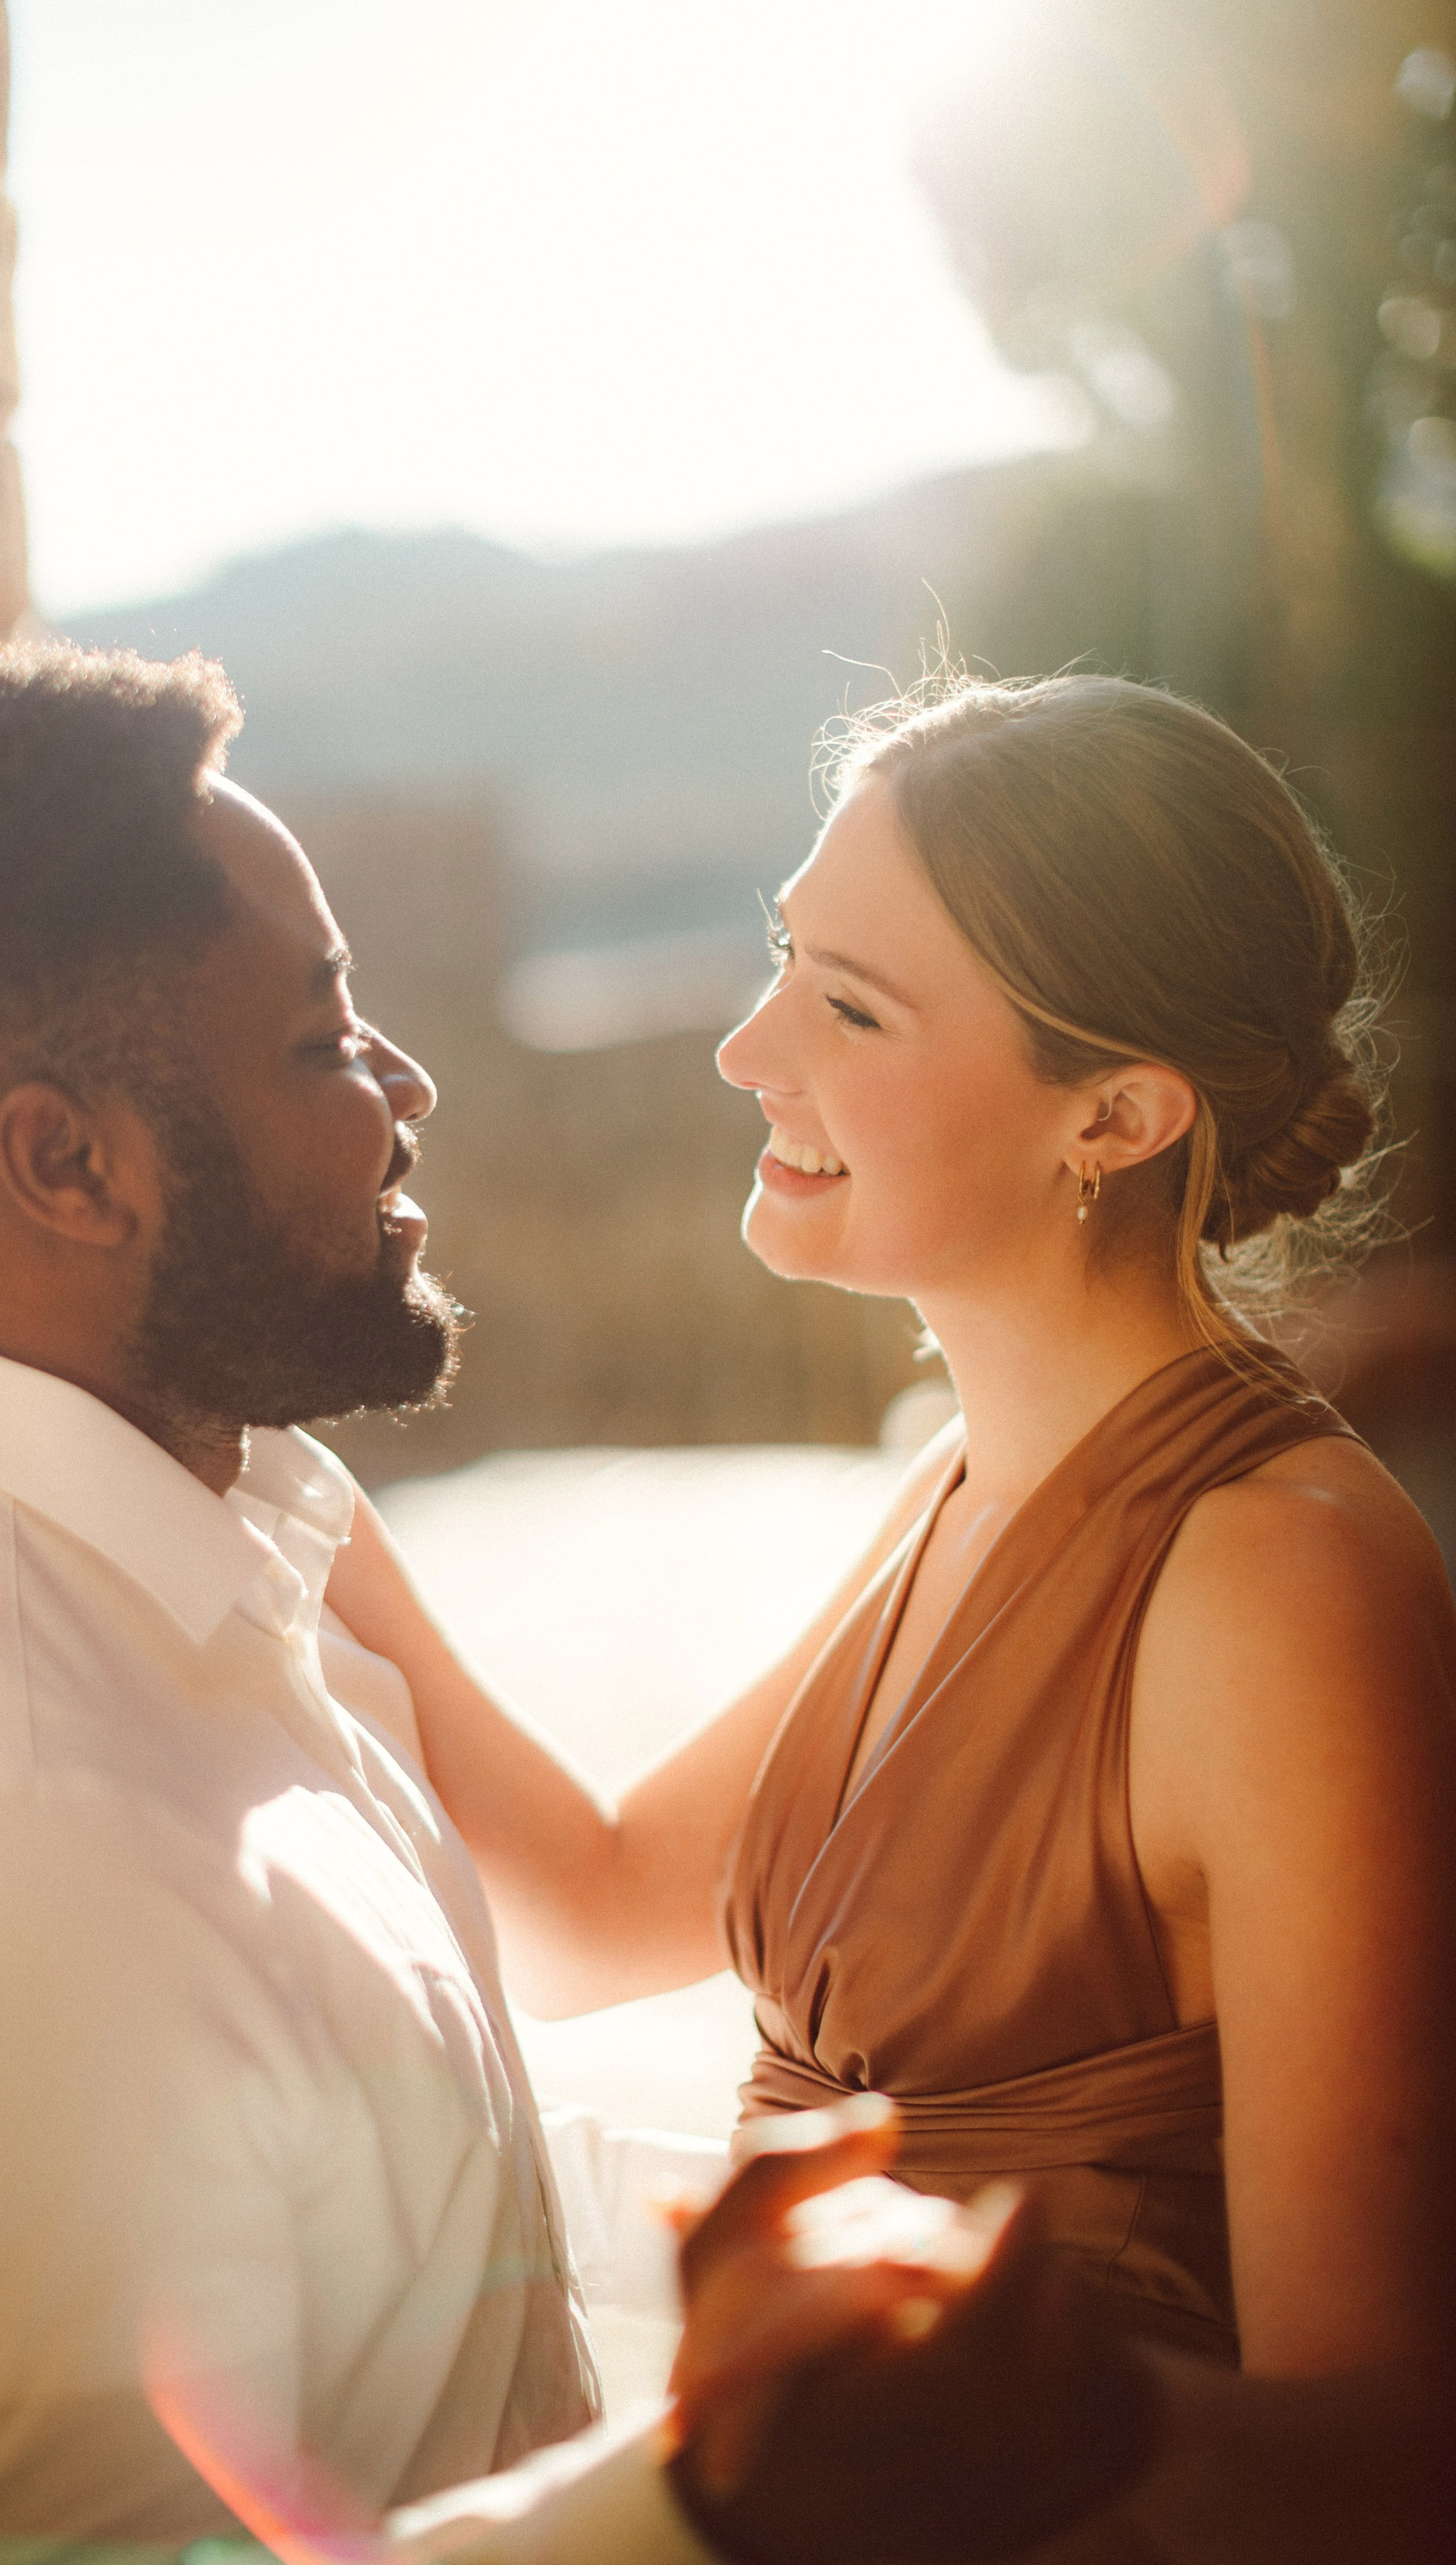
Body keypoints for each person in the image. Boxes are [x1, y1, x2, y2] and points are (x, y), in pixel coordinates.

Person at [0, 643, 1129, 2565]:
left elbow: (348, 2198)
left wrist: (748, 2252)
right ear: (69, 1164)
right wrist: (704, 2489)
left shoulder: (231, 1517)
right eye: (320, 1040)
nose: (408, 1087)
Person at [325, 673, 1456, 2395]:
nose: (744, 1050)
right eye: (784, 957)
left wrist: (899, 2374)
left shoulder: (1278, 1582)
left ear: (1115, 1117)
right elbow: (597, 1909)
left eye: (849, 1011)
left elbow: (1380, 2446)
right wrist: (265, 1470)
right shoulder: (955, 1486)